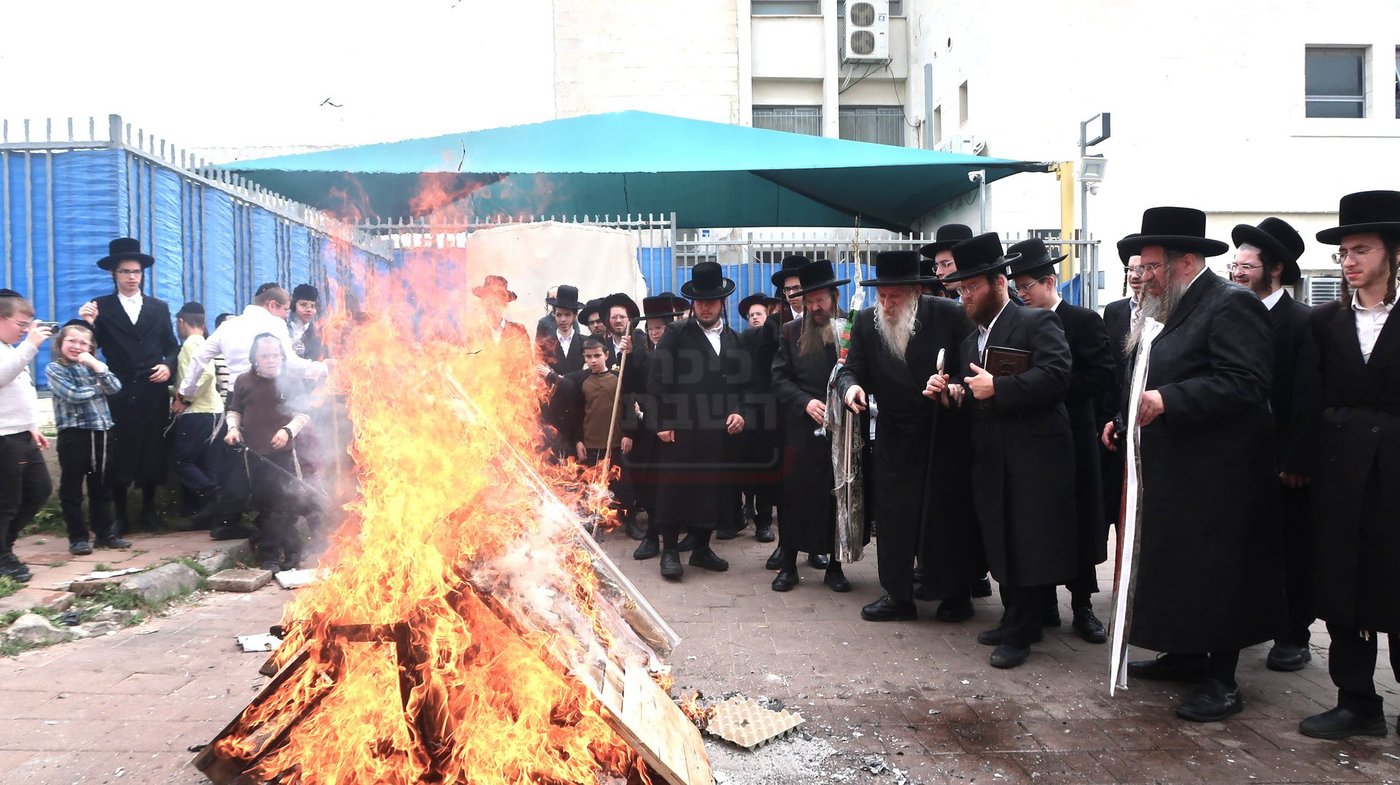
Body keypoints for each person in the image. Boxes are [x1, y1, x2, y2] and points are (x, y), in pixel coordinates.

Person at [1108, 207, 1283, 722]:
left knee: (1217, 575)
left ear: (1187, 261)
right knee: (1178, 569)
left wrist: (1168, 401)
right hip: (1171, 467)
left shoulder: (1231, 304)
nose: (1143, 277)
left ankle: (1222, 679)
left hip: (1220, 475)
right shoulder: (1165, 304)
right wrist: (1123, 417)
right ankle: (1184, 654)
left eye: (1152, 266)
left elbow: (1246, 382)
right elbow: (1142, 372)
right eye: (1139, 268)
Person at [938, 233, 1077, 669]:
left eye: (973, 287)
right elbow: (972, 394)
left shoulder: (1036, 322)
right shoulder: (968, 341)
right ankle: (1017, 617)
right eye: (961, 290)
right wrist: (952, 395)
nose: (965, 297)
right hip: (991, 455)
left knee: (1029, 540)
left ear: (1000, 282)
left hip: (1034, 456)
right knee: (1000, 537)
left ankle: (1022, 628)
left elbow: (1057, 378)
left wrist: (999, 386)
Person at [1297, 190, 1400, 740]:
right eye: (1344, 253)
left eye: (1362, 249)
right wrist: (1298, 461)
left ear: (1393, 253)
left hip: (1396, 477)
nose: (1350, 261)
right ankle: (1356, 700)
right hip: (1340, 477)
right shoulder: (1326, 322)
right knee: (1344, 588)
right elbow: (1307, 397)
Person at [834, 250, 980, 624]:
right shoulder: (868, 322)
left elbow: (972, 368)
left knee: (946, 515)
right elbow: (853, 369)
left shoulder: (950, 314)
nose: (886, 303)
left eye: (894, 296)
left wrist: (955, 388)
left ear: (915, 291)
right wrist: (851, 389)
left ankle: (955, 594)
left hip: (942, 432)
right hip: (895, 434)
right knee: (895, 516)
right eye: (881, 295)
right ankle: (897, 594)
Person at [1007, 238, 1115, 644]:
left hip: (1075, 433)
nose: (1022, 295)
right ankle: (1045, 602)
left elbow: (1102, 374)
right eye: (1018, 289)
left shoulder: (1083, 320)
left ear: (1049, 282)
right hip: (1035, 438)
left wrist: (1049, 385)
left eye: (1028, 287)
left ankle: (1083, 606)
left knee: (1080, 520)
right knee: (1043, 521)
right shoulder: (1019, 322)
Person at [1229, 217, 1319, 673]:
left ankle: (1294, 633)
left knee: (1291, 548)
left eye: (1247, 265)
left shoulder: (1303, 321)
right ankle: (1249, 624)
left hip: (1284, 459)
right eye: (1234, 264)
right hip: (1237, 458)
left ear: (1275, 270)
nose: (1237, 273)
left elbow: (1308, 397)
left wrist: (1297, 458)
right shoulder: (1231, 313)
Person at [645, 262, 754, 580]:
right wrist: (661, 422)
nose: (706, 306)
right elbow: (656, 381)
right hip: (681, 429)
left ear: (722, 302)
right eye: (701, 301)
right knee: (674, 490)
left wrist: (741, 412)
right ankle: (669, 552)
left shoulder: (734, 339)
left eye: (713, 300)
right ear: (693, 304)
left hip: (719, 432)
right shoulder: (677, 334)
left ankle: (702, 550)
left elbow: (744, 385)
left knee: (712, 491)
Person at [79, 238, 179, 532]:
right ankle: (120, 515)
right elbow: (86, 347)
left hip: (152, 388)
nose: (132, 277)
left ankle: (148, 510)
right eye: (125, 272)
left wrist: (168, 366)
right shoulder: (101, 307)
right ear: (114, 274)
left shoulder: (158, 307)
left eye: (136, 271)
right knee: (120, 450)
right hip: (117, 389)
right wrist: (87, 322)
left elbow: (172, 346)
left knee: (152, 449)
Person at [770, 259, 856, 592]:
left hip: (841, 428)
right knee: (794, 496)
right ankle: (788, 565)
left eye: (820, 299)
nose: (815, 307)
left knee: (835, 496)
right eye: (809, 301)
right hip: (801, 428)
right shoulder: (791, 331)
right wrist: (805, 402)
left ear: (834, 296)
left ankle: (834, 566)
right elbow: (778, 377)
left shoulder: (850, 326)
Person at [223, 333, 313, 571]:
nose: (271, 360)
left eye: (275, 355)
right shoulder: (243, 381)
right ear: (255, 358)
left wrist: (287, 431)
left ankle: (269, 557)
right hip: (253, 455)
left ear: (282, 356)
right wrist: (233, 429)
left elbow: (303, 414)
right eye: (265, 356)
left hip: (283, 455)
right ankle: (295, 550)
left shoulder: (292, 381)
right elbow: (234, 411)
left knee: (280, 505)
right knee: (265, 504)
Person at [46, 321, 126, 555]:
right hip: (74, 434)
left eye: (83, 343)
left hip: (101, 433)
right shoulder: (55, 368)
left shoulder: (95, 366)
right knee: (71, 489)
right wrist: (99, 387)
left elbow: (115, 386)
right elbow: (73, 394)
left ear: (91, 347)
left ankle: (104, 534)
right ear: (61, 343)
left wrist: (97, 367)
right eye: (71, 341)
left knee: (102, 487)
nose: (77, 346)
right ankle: (77, 538)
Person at [178, 285, 327, 403]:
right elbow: (290, 363)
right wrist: (324, 368)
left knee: (235, 438)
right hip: (265, 397)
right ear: (272, 305)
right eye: (285, 310)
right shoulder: (275, 324)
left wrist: (186, 393)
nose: (285, 315)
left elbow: (199, 358)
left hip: (234, 398)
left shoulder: (227, 326)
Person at [0, 292, 53, 583]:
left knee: (39, 489)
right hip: (4, 437)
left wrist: (32, 425)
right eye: (21, 324)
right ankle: (2, 556)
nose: (25, 330)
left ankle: (5, 545)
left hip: (22, 434)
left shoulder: (10, 348)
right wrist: (30, 346)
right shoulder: (15, 350)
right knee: (7, 501)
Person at [559, 338, 634, 507]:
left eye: (597, 355)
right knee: (591, 487)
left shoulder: (618, 377)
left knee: (624, 487)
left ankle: (630, 521)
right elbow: (576, 414)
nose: (593, 360)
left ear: (606, 355)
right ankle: (594, 522)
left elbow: (629, 407)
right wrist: (578, 441)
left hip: (615, 443)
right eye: (588, 356)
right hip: (591, 444)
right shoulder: (581, 382)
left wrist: (629, 434)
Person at [170, 302, 224, 525]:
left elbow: (206, 375)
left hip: (197, 412)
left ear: (181, 322)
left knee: (181, 461)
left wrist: (184, 398)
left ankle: (214, 493)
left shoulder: (191, 344)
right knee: (206, 463)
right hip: (212, 412)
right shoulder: (204, 342)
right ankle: (214, 515)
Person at [471, 275, 530, 351]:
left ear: (505, 304)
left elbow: (527, 361)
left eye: (498, 301)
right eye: (488, 300)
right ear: (483, 304)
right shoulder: (474, 334)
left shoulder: (519, 331)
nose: (493, 306)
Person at [919, 223, 974, 299]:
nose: (938, 272)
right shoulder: (956, 303)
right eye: (936, 266)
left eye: (945, 264)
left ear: (966, 261)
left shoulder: (988, 302)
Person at [540, 285, 586, 375]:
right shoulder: (545, 345)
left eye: (567, 314)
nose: (563, 319)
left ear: (575, 315)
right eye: (559, 315)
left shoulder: (585, 343)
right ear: (553, 314)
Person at [288, 284, 324, 360]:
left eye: (312, 306)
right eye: (303, 305)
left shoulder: (319, 335)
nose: (309, 309)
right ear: (293, 305)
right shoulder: (282, 328)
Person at [772, 254, 811, 323]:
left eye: (797, 288)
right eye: (787, 289)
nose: (791, 294)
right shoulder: (773, 321)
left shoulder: (819, 317)